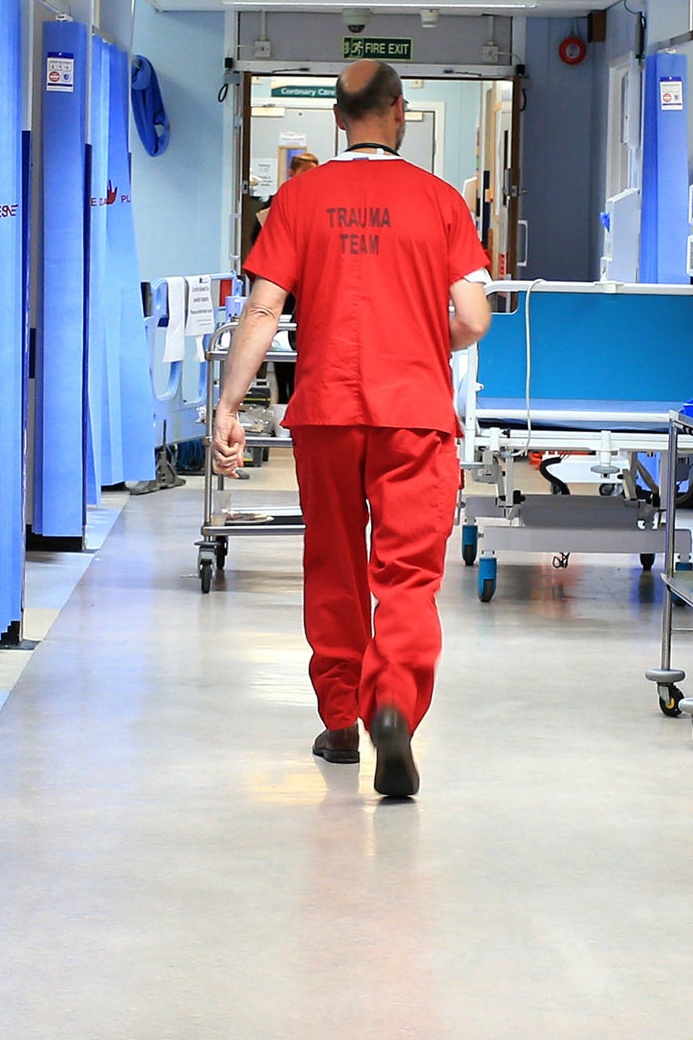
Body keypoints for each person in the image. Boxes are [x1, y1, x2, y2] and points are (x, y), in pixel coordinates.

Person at [211, 61, 492, 800]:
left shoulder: (301, 198)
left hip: (327, 411)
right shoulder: (439, 202)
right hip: (416, 413)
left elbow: (264, 312)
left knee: (334, 563)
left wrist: (229, 406)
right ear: (398, 113)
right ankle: (391, 703)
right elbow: (472, 318)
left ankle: (340, 720)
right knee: (406, 574)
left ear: (338, 119)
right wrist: (426, 342)